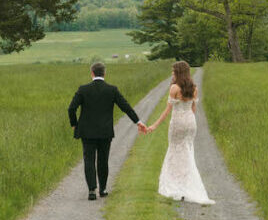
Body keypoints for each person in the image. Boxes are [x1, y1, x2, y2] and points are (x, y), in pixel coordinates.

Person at [68, 62, 147, 200]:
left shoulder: (83, 89)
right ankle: (103, 189)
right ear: (104, 73)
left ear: (91, 73)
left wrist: (74, 124)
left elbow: (71, 108)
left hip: (87, 132)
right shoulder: (112, 90)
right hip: (105, 132)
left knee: (89, 160)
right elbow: (126, 107)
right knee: (103, 160)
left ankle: (92, 190)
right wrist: (138, 122)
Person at [147, 61, 214, 204]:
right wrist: (189, 120)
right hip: (190, 122)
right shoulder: (194, 88)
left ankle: (177, 183)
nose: (172, 73)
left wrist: (154, 125)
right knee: (187, 151)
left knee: (175, 150)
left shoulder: (174, 88)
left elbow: (167, 111)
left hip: (178, 122)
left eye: (173, 71)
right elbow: (193, 108)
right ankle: (186, 182)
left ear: (178, 72)